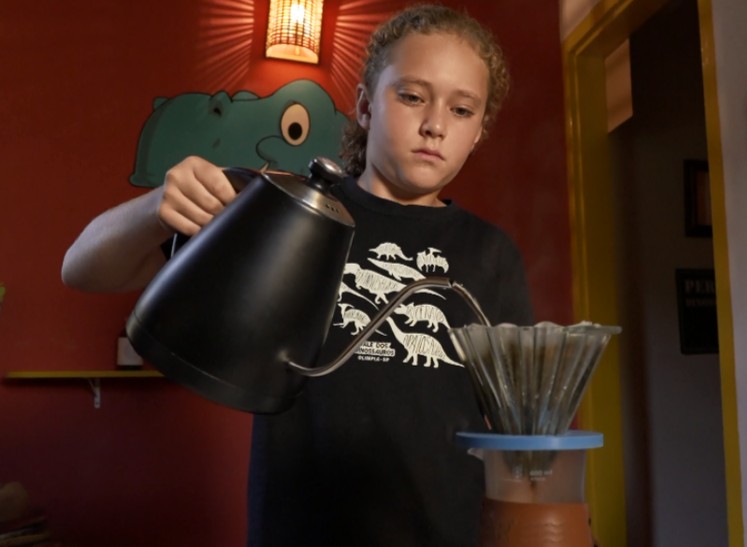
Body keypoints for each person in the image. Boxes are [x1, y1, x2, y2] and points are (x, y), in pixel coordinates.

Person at [62, 4, 534, 545]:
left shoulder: (491, 253)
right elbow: (81, 269)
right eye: (411, 95)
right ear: (364, 106)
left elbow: (516, 432)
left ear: (478, 132)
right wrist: (155, 208)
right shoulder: (287, 211)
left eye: (462, 110)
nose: (434, 125)